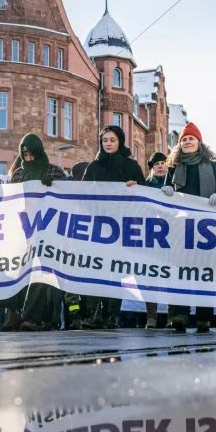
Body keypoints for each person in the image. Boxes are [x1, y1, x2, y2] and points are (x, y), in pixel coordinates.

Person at [161, 122, 216, 333]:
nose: (187, 142)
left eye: (191, 138)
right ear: (179, 144)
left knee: (204, 272)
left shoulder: (213, 166)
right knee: (180, 271)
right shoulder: (173, 167)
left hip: (205, 229)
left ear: (199, 142)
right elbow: (165, 193)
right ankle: (179, 315)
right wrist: (166, 190)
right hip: (179, 228)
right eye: (184, 139)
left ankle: (203, 317)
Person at [81, 125, 145, 329]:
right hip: (97, 225)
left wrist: (135, 188)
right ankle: (94, 313)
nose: (108, 144)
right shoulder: (93, 167)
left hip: (120, 226)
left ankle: (111, 315)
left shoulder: (131, 166)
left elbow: (145, 194)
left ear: (120, 141)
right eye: (105, 140)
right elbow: (79, 195)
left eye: (112, 140)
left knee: (114, 271)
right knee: (95, 270)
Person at [7, 133, 67, 331]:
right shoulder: (18, 174)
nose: (29, 158)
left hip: (46, 231)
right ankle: (14, 314)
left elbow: (69, 199)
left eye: (32, 154)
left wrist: (56, 187)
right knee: (18, 274)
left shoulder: (54, 171)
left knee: (40, 276)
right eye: (25, 155)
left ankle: (33, 317)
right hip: (22, 230)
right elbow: (9, 201)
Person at [143, 151, 169, 328]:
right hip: (150, 237)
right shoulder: (144, 186)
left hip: (172, 238)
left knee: (170, 277)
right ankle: (151, 317)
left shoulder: (175, 185)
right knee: (150, 278)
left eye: (162, 163)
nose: (160, 166)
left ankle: (171, 316)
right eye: (156, 164)